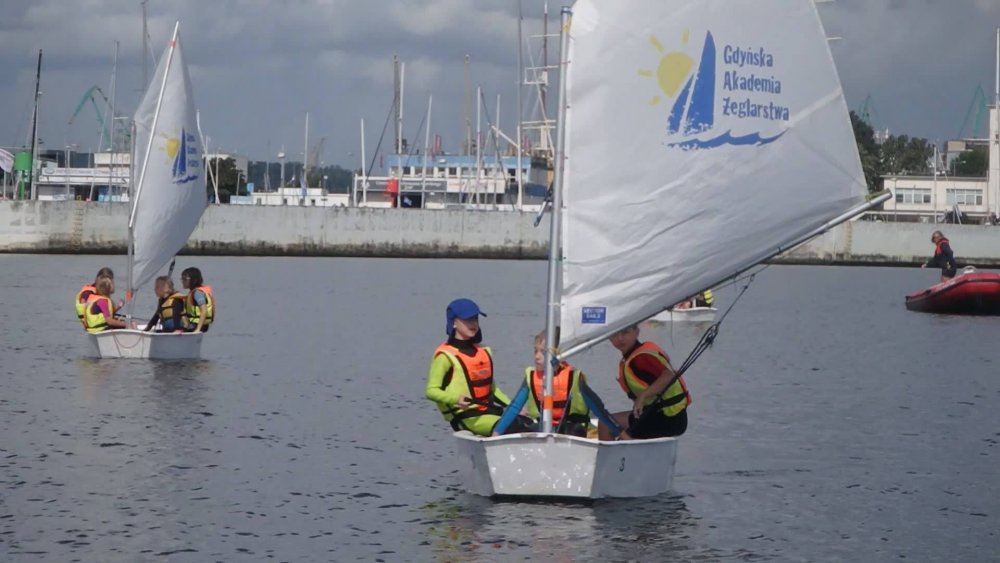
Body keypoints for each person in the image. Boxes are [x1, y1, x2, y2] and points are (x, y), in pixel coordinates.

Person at [493, 330, 622, 438]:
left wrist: (619, 433)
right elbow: (515, 406)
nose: (537, 357)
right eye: (535, 351)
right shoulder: (531, 376)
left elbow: (597, 408)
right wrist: (496, 433)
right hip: (544, 427)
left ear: (559, 355)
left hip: (571, 429)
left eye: (543, 352)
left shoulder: (574, 377)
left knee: (572, 430)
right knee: (518, 426)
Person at [425, 298, 519, 436]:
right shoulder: (445, 356)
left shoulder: (484, 351)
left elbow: (493, 390)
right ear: (454, 323)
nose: (473, 323)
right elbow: (431, 391)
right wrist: (455, 399)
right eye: (468, 319)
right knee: (514, 426)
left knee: (530, 423)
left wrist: (514, 408)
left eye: (475, 319)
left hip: (489, 413)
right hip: (467, 418)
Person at [598, 324, 691, 441]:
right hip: (660, 416)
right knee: (608, 423)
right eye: (615, 334)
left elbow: (668, 375)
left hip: (668, 419)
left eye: (625, 332)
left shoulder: (641, 357)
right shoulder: (631, 357)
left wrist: (643, 396)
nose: (620, 338)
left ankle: (611, 458)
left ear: (637, 331)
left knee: (605, 425)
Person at [181, 267, 214, 332]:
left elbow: (204, 310)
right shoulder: (193, 292)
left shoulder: (197, 293)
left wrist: (198, 329)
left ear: (194, 280)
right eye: (182, 278)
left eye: (185, 279)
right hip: (194, 323)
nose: (182, 281)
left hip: (197, 325)